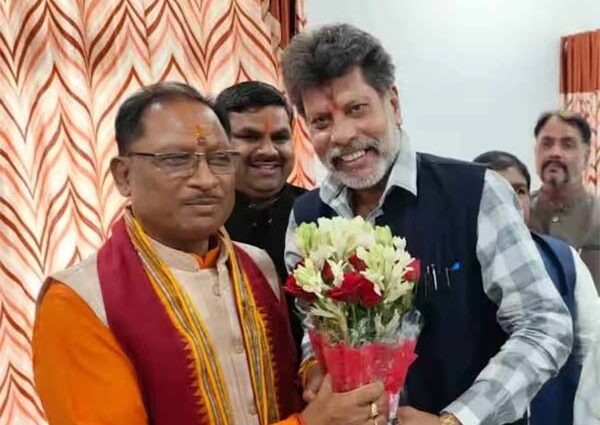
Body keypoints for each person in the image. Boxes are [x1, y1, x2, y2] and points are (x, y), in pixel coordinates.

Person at [32, 82, 389, 425]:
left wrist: (314, 374)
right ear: (123, 175)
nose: (206, 180)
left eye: (220, 159)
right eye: (176, 159)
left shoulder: (257, 266)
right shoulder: (79, 301)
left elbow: (279, 379)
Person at [281, 24, 573, 425]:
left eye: (356, 109)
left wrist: (457, 420)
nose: (343, 135)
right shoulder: (306, 218)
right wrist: (313, 366)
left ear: (393, 103)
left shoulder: (476, 193)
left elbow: (544, 325)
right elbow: (314, 326)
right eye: (321, 121)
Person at [474, 150, 600, 425]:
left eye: (519, 191)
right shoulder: (452, 265)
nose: (509, 202)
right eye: (496, 191)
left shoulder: (564, 260)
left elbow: (593, 354)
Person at [215, 81, 306, 351]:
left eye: (280, 137)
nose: (268, 150)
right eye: (250, 137)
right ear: (219, 144)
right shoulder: (202, 224)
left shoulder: (320, 213)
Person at [529, 111, 600, 291]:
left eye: (567, 145)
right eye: (547, 144)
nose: (555, 153)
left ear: (586, 156)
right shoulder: (518, 215)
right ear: (536, 152)